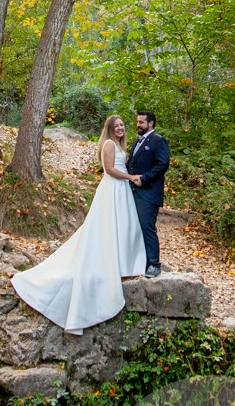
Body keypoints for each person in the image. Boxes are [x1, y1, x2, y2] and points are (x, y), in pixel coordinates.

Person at [10, 114, 147, 333]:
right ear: (110, 128)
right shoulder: (109, 144)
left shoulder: (120, 145)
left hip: (122, 190)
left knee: (123, 228)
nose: (120, 128)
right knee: (109, 227)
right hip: (113, 189)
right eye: (116, 126)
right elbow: (110, 169)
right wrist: (131, 177)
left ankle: (123, 264)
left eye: (122, 125)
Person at [126, 108, 171, 278]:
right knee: (135, 228)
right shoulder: (136, 142)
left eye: (141, 122)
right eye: (137, 121)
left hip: (149, 193)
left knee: (147, 227)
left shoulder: (158, 141)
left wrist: (144, 179)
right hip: (133, 192)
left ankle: (154, 264)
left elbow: (163, 164)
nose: (138, 124)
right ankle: (140, 262)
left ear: (150, 124)